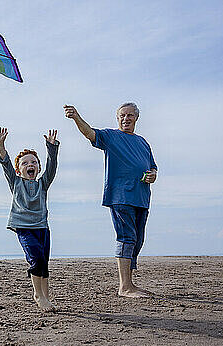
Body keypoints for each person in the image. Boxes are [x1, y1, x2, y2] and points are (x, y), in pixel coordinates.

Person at [64, 102, 157, 298]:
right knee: (127, 237)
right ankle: (125, 287)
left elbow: (153, 168)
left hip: (141, 197)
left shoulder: (143, 142)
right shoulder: (111, 137)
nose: (126, 118)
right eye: (122, 115)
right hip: (120, 196)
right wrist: (76, 117)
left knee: (137, 240)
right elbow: (89, 133)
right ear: (117, 118)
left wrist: (152, 175)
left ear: (136, 118)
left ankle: (130, 283)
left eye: (130, 115)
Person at [0, 127, 60, 310]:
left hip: (42, 227)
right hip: (23, 227)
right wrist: (1, 144)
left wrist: (51, 147)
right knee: (36, 259)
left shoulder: (43, 183)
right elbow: (5, 162)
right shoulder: (15, 182)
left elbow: (52, 164)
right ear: (18, 170)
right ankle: (38, 295)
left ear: (38, 167)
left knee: (44, 263)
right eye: (25, 163)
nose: (29, 164)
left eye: (33, 162)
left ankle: (46, 296)